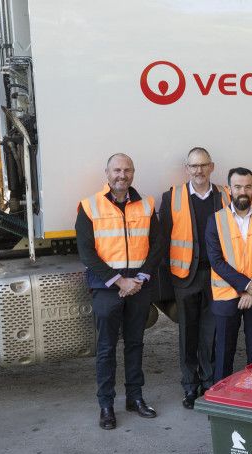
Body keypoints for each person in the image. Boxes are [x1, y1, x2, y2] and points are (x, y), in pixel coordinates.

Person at [75, 153, 166, 431]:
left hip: (138, 286)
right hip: (106, 288)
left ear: (133, 173)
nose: (121, 175)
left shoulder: (147, 205)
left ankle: (135, 398)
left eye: (127, 170)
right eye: (116, 170)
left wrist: (139, 277)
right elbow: (87, 252)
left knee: (136, 344)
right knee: (106, 348)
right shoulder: (90, 206)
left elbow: (158, 245)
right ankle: (106, 405)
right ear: (107, 173)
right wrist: (118, 281)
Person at [159, 147, 231, 410]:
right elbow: (163, 240)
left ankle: (210, 384)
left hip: (217, 276)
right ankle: (190, 386)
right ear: (186, 169)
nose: (198, 170)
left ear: (211, 167)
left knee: (211, 333)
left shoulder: (226, 195)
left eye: (203, 165)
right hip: (185, 277)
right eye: (193, 166)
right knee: (187, 333)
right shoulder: (172, 197)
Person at [206, 167, 252, 381]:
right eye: (237, 187)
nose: (242, 191)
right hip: (227, 296)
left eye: (247, 186)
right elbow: (216, 260)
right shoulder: (215, 220)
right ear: (229, 189)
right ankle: (220, 399)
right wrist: (246, 286)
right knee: (223, 352)